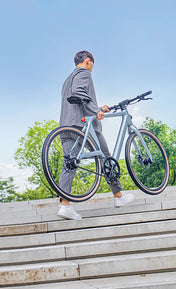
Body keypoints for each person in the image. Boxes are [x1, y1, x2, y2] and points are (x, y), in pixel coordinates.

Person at [57, 50, 135, 220]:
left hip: (66, 124)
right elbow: (79, 93)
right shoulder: (84, 73)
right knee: (106, 159)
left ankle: (65, 206)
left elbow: (76, 99)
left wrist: (100, 108)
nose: (92, 68)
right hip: (84, 125)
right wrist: (95, 111)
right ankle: (119, 197)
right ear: (87, 61)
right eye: (92, 64)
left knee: (69, 164)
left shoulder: (67, 79)